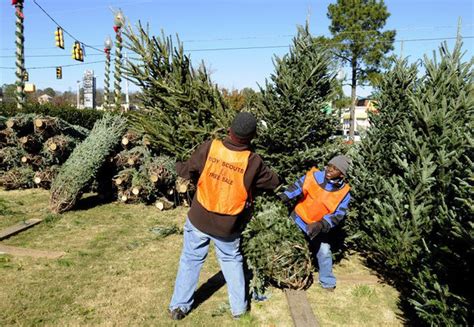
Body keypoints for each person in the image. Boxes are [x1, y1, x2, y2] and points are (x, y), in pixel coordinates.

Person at [168, 112, 280, 320]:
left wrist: (176, 166)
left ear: (230, 130)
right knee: (231, 260)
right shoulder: (253, 161)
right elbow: (272, 182)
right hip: (227, 226)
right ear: (252, 136)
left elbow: (188, 169)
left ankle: (179, 306)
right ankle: (239, 310)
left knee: (190, 259)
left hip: (199, 217)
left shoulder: (211, 147)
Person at [279, 155, 351, 291]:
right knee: (287, 247)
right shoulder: (314, 177)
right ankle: (286, 275)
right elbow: (296, 187)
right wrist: (283, 197)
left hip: (318, 227)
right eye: (330, 166)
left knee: (324, 251)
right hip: (298, 219)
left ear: (341, 175)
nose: (330, 170)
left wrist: (321, 225)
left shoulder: (344, 193)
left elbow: (338, 215)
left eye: (335, 169)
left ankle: (327, 281)